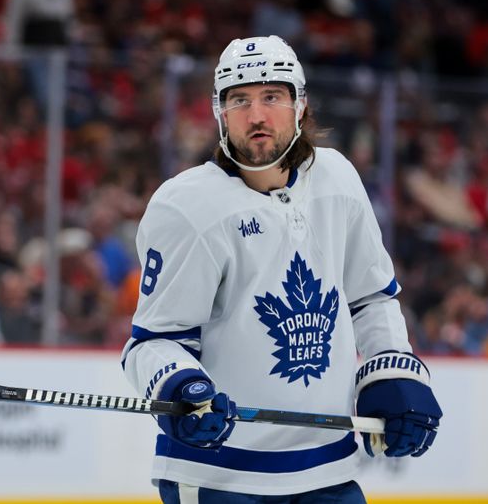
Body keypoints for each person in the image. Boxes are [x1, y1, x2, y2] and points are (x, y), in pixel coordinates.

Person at [121, 36, 442, 503]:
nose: (256, 115)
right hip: (219, 479)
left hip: (328, 471)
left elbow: (371, 297)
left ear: (299, 105)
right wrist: (180, 387)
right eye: (240, 100)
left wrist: (391, 371)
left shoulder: (338, 180)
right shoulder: (187, 208)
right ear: (220, 113)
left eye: (272, 96)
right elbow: (153, 341)